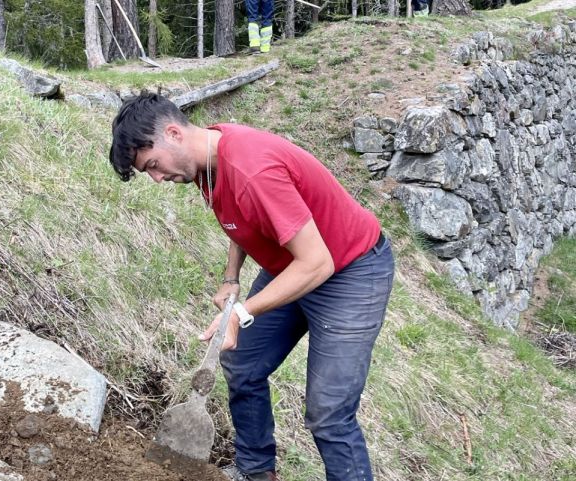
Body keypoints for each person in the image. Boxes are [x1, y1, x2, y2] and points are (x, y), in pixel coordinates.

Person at [109, 93, 395, 481]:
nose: (158, 179)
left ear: (173, 133)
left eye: (154, 166)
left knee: (328, 411)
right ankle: (257, 472)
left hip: (350, 271)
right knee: (242, 364)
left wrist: (243, 312)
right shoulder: (206, 161)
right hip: (292, 264)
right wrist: (232, 279)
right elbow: (240, 218)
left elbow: (317, 263)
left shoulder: (251, 168)